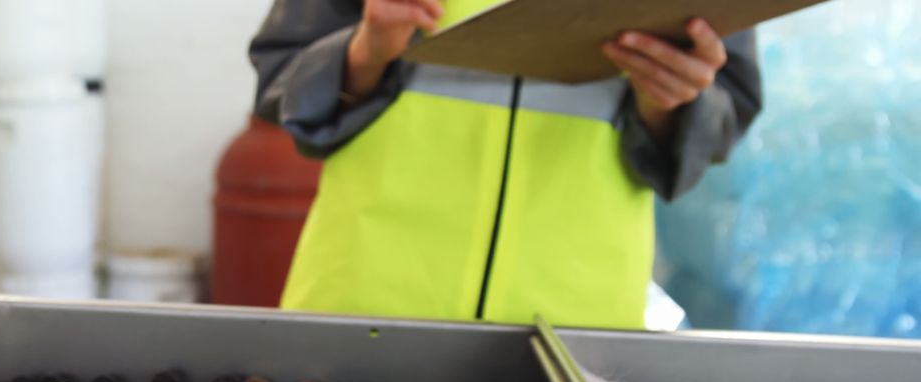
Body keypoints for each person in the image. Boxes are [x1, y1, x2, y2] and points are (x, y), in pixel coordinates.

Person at [250, 0, 761, 329]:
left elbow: (726, 110)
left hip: (579, 326)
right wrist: (366, 52)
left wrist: (669, 99)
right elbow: (282, 77)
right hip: (363, 306)